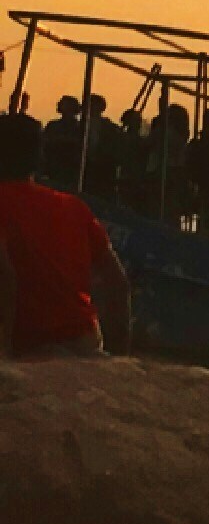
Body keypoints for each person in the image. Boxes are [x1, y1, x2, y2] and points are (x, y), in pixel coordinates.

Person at [0, 106, 131, 357]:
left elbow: (5, 276)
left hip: (30, 346)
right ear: (39, 158)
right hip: (85, 340)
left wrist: (7, 348)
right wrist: (121, 360)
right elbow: (118, 284)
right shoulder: (73, 206)